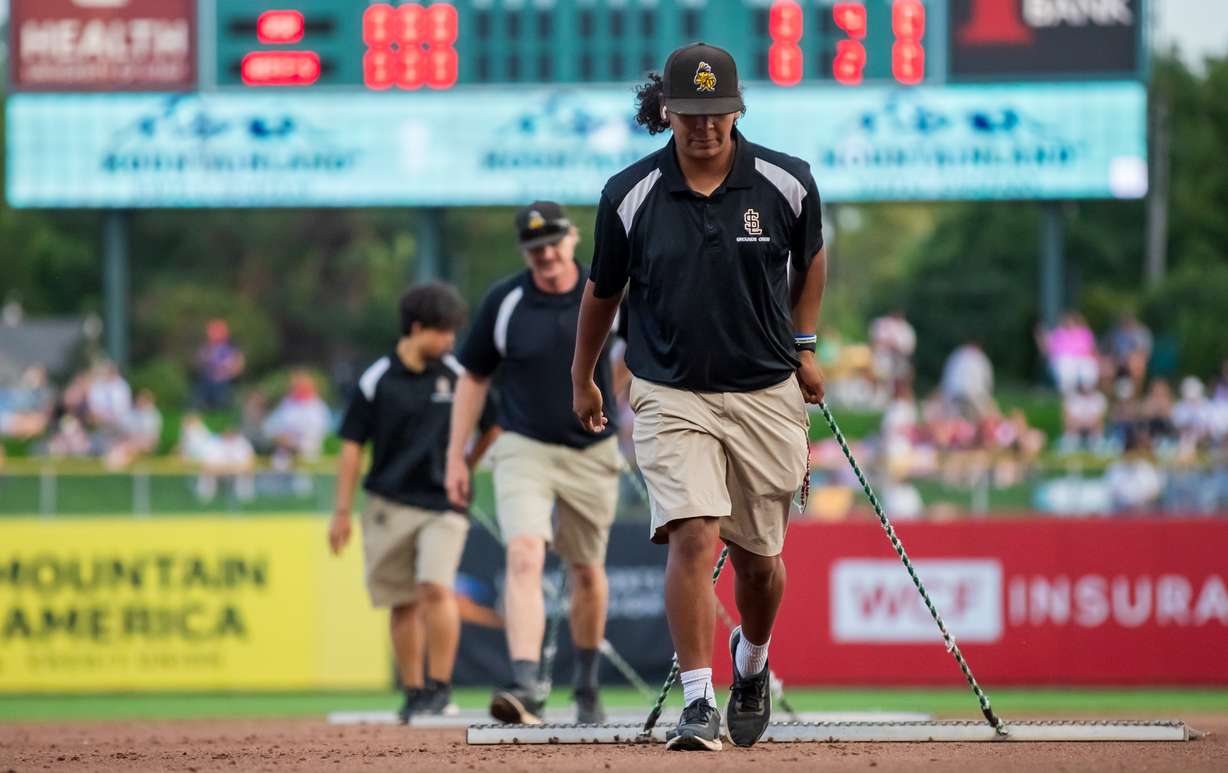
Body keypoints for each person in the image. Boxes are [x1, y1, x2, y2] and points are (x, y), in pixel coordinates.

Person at [571, 43, 826, 751]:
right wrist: (583, 375)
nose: (705, 127)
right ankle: (697, 702)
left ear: (738, 109)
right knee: (692, 532)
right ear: (667, 113)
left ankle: (752, 660)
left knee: (759, 564)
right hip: (668, 388)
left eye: (717, 113)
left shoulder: (788, 182)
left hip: (766, 389)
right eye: (690, 114)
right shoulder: (629, 194)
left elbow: (812, 261)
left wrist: (805, 347)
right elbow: (602, 294)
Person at [446, 201, 624, 726]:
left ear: (571, 239)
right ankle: (525, 683)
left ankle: (587, 684)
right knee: (524, 553)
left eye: (552, 243)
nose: (545, 254)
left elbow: (643, 354)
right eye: (534, 247)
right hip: (523, 446)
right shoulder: (505, 300)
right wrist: (458, 456)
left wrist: (612, 397)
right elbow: (473, 377)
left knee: (586, 570)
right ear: (525, 252)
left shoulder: (606, 288)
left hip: (593, 449)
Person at [330, 283, 499, 723]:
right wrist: (342, 512)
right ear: (417, 328)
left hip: (444, 503)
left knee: (435, 588)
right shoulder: (375, 379)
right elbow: (351, 447)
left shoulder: (460, 374)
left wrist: (465, 465)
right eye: (443, 332)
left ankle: (440, 688)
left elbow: (493, 424)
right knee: (402, 601)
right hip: (388, 502)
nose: (449, 341)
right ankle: (414, 690)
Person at [1036, 312, 1098, 394]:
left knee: (1088, 367)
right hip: (1063, 360)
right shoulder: (1058, 333)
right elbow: (1048, 350)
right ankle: (1068, 393)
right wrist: (1040, 338)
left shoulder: (1085, 332)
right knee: (1066, 366)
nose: (1069, 323)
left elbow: (1091, 349)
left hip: (1082, 359)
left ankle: (1086, 393)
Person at [194, 319, 245, 410]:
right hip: (208, 378)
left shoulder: (231, 348)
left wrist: (227, 371)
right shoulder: (207, 348)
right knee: (202, 391)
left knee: (222, 395)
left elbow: (236, 364)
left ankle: (221, 407)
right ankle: (204, 407)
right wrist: (205, 360)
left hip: (224, 379)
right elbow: (200, 361)